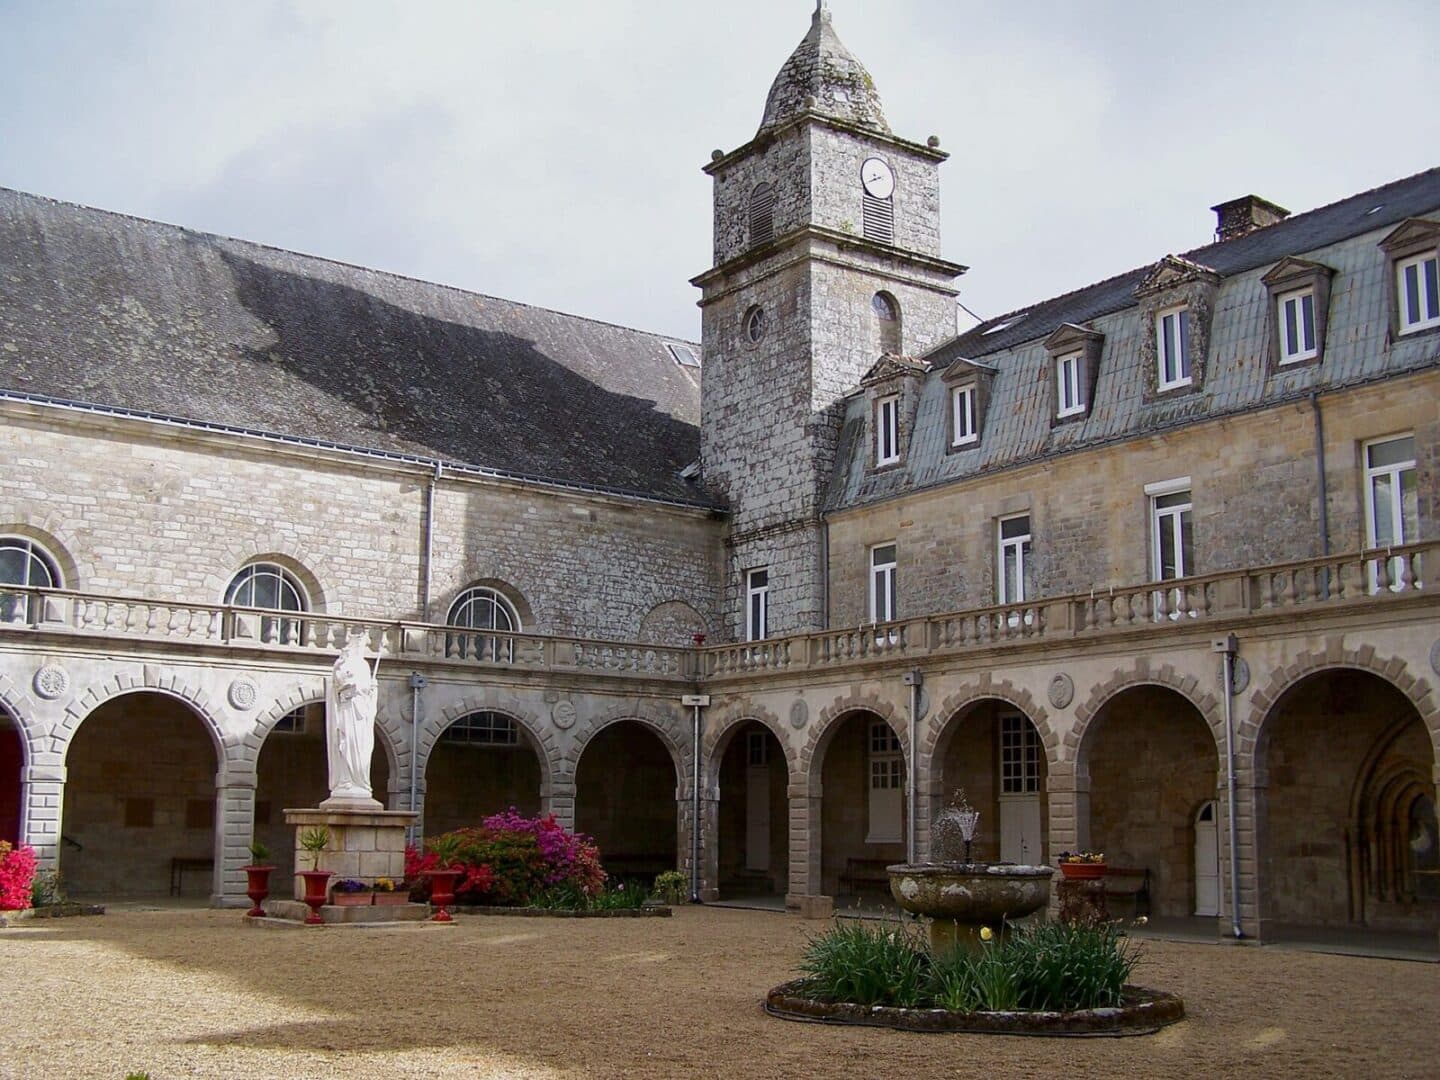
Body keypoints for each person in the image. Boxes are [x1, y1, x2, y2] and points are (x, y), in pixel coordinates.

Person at [325, 632, 379, 801]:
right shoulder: (342, 663)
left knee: (361, 747)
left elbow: (366, 690)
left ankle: (359, 781)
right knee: (344, 743)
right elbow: (336, 685)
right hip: (346, 710)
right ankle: (345, 780)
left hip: (360, 713)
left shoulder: (363, 665)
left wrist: (372, 690)